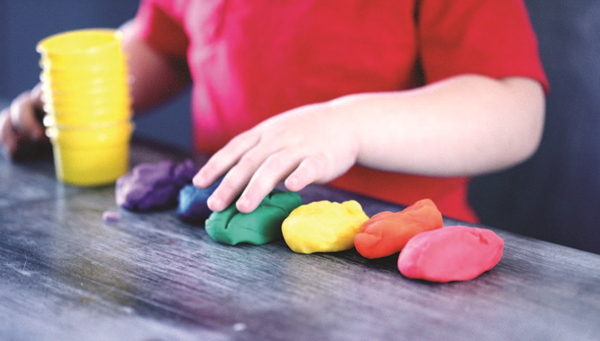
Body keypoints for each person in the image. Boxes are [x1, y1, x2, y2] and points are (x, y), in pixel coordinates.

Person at [0, 0, 548, 223]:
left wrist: (347, 125)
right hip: (221, 241)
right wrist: (71, 101)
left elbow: (512, 109)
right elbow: (164, 44)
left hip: (391, 255)